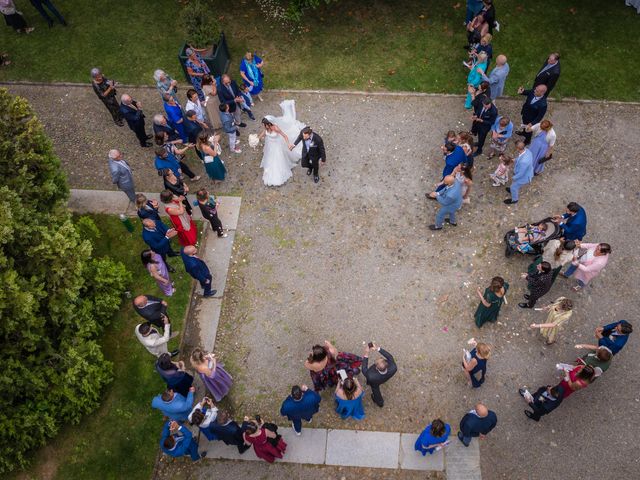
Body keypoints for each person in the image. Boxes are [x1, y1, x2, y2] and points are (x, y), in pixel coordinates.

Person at [259, 117, 296, 186]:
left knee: (277, 159)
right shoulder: (266, 128)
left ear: (269, 124)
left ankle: (278, 173)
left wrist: (288, 144)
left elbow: (285, 136)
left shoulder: (275, 128)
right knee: (269, 158)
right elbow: (264, 133)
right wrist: (258, 138)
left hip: (276, 146)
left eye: (264, 124)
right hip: (270, 145)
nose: (263, 126)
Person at [362, 343, 397, 408]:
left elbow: (364, 369)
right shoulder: (393, 367)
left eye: (375, 363)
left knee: (375, 390)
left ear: (376, 368)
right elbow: (389, 357)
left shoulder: (370, 375)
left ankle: (379, 401)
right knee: (376, 387)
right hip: (386, 377)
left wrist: (366, 353)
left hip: (375, 381)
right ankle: (380, 403)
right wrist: (378, 348)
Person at [504, 140, 534, 204]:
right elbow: (520, 157)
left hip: (524, 177)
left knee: (513, 187)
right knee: (514, 184)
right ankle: (512, 190)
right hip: (527, 171)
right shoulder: (527, 151)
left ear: (517, 148)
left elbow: (521, 173)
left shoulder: (524, 162)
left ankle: (514, 200)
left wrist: (513, 177)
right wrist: (514, 160)